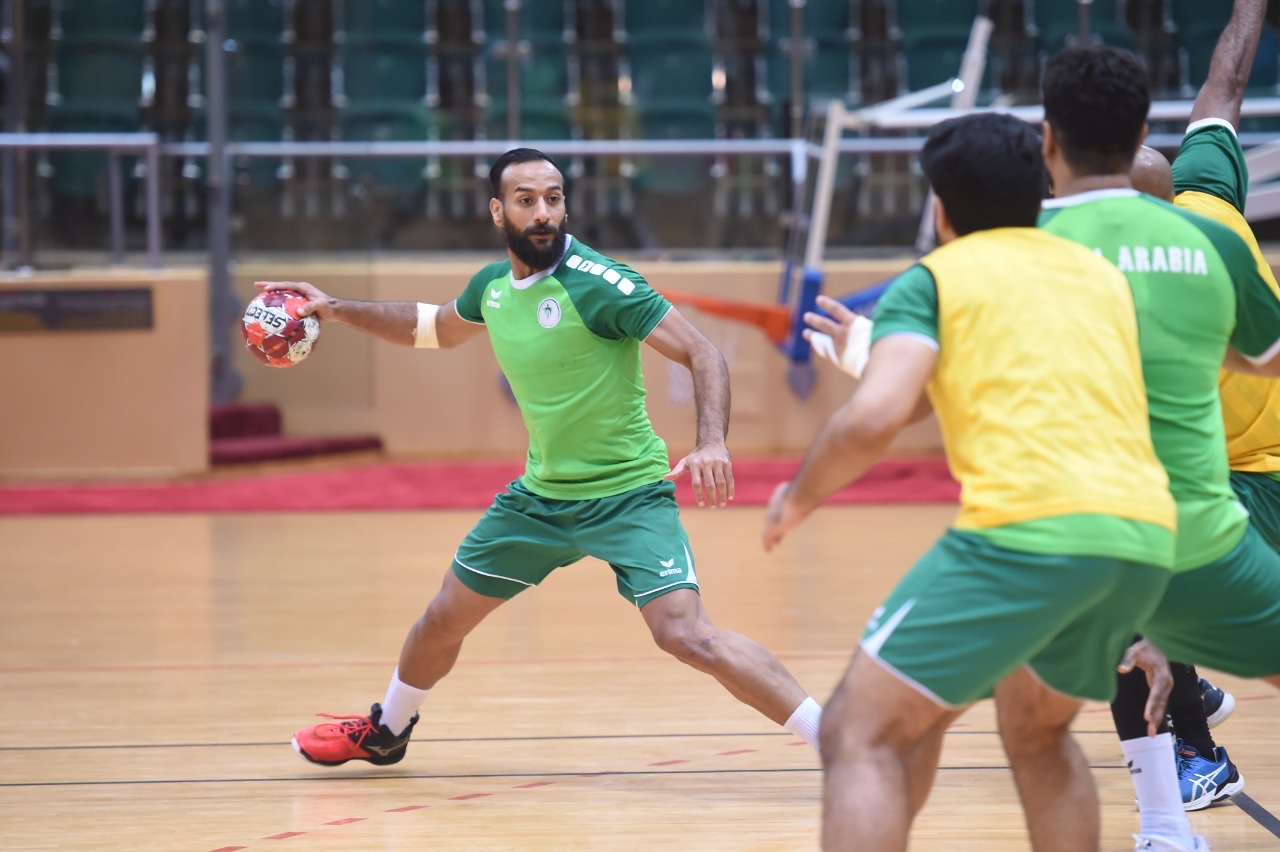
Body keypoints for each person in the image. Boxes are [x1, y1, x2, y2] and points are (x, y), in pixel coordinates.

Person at [268, 147, 824, 768]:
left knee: (687, 635)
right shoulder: (492, 288)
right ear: (497, 211)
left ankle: (836, 737)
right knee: (442, 618)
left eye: (553, 199)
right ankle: (387, 730)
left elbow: (703, 352)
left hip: (627, 496)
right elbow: (434, 328)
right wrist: (336, 310)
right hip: (541, 500)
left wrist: (712, 440)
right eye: (526, 200)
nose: (542, 213)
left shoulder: (601, 283)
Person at [763, 111, 1179, 852]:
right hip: (1140, 537)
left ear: (941, 208)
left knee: (858, 732)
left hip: (1027, 537)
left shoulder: (936, 277)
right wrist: (870, 352)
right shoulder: (1096, 274)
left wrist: (797, 498)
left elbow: (875, 418)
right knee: (1039, 736)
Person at [1037, 44, 1280, 851]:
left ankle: (1193, 749)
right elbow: (1224, 89)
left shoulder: (1105, 273)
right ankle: (1187, 715)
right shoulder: (1215, 217)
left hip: (1246, 484)